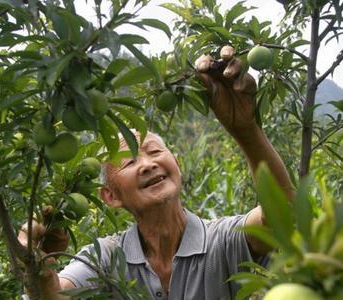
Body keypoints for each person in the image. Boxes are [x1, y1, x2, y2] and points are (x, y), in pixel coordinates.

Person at [18, 47, 294, 300]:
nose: (147, 164)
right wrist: (36, 269)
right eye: (129, 163)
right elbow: (56, 296)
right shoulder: (105, 257)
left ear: (177, 165)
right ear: (110, 196)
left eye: (154, 151)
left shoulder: (222, 241)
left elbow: (283, 215)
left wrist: (245, 130)